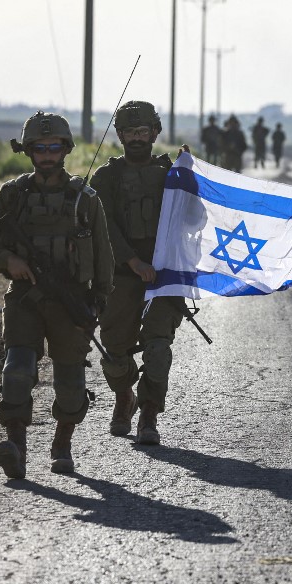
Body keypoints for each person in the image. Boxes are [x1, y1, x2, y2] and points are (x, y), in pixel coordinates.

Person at [0, 111, 113, 478]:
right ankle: (16, 447)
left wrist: (98, 305)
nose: (48, 154)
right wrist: (9, 260)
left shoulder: (85, 200)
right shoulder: (12, 195)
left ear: (66, 149)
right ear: (28, 151)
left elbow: (104, 259)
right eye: (40, 148)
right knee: (17, 371)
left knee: (70, 386)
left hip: (72, 303)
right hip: (25, 298)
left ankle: (62, 444)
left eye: (54, 147)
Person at [89, 101, 189, 446]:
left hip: (163, 278)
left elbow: (195, 221)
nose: (136, 138)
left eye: (142, 131)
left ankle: (148, 414)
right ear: (119, 135)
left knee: (158, 348)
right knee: (114, 355)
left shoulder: (172, 174)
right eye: (129, 132)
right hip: (121, 275)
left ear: (154, 133)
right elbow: (104, 229)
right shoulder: (106, 177)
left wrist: (191, 180)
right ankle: (124, 397)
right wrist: (133, 262)